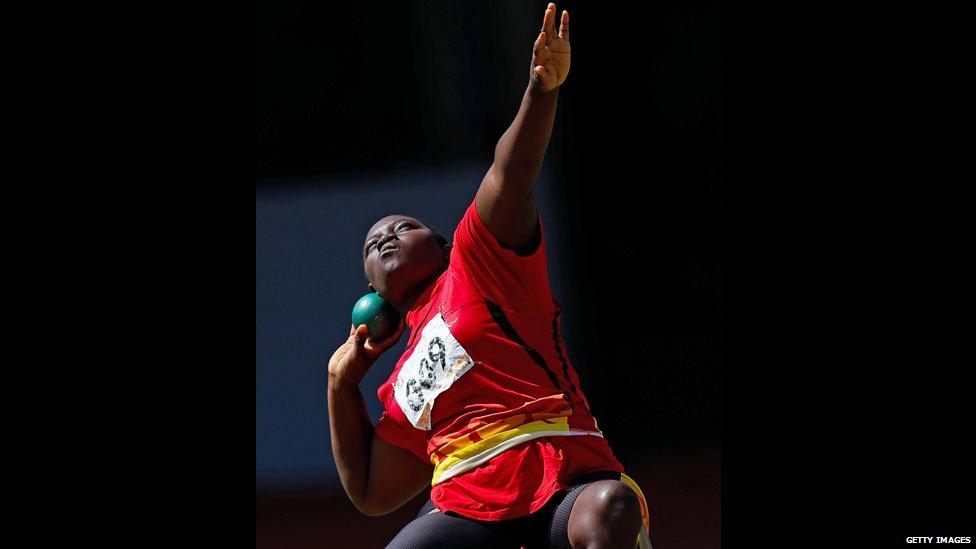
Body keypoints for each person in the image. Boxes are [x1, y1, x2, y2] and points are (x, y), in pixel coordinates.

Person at [327, 4, 650, 548]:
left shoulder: (482, 264)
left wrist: (540, 91)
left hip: (563, 478)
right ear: (373, 297)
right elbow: (371, 493)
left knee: (610, 508)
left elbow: (514, 171)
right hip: (466, 510)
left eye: (403, 227)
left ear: (444, 245)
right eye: (371, 244)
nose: (384, 236)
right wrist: (341, 384)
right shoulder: (404, 380)